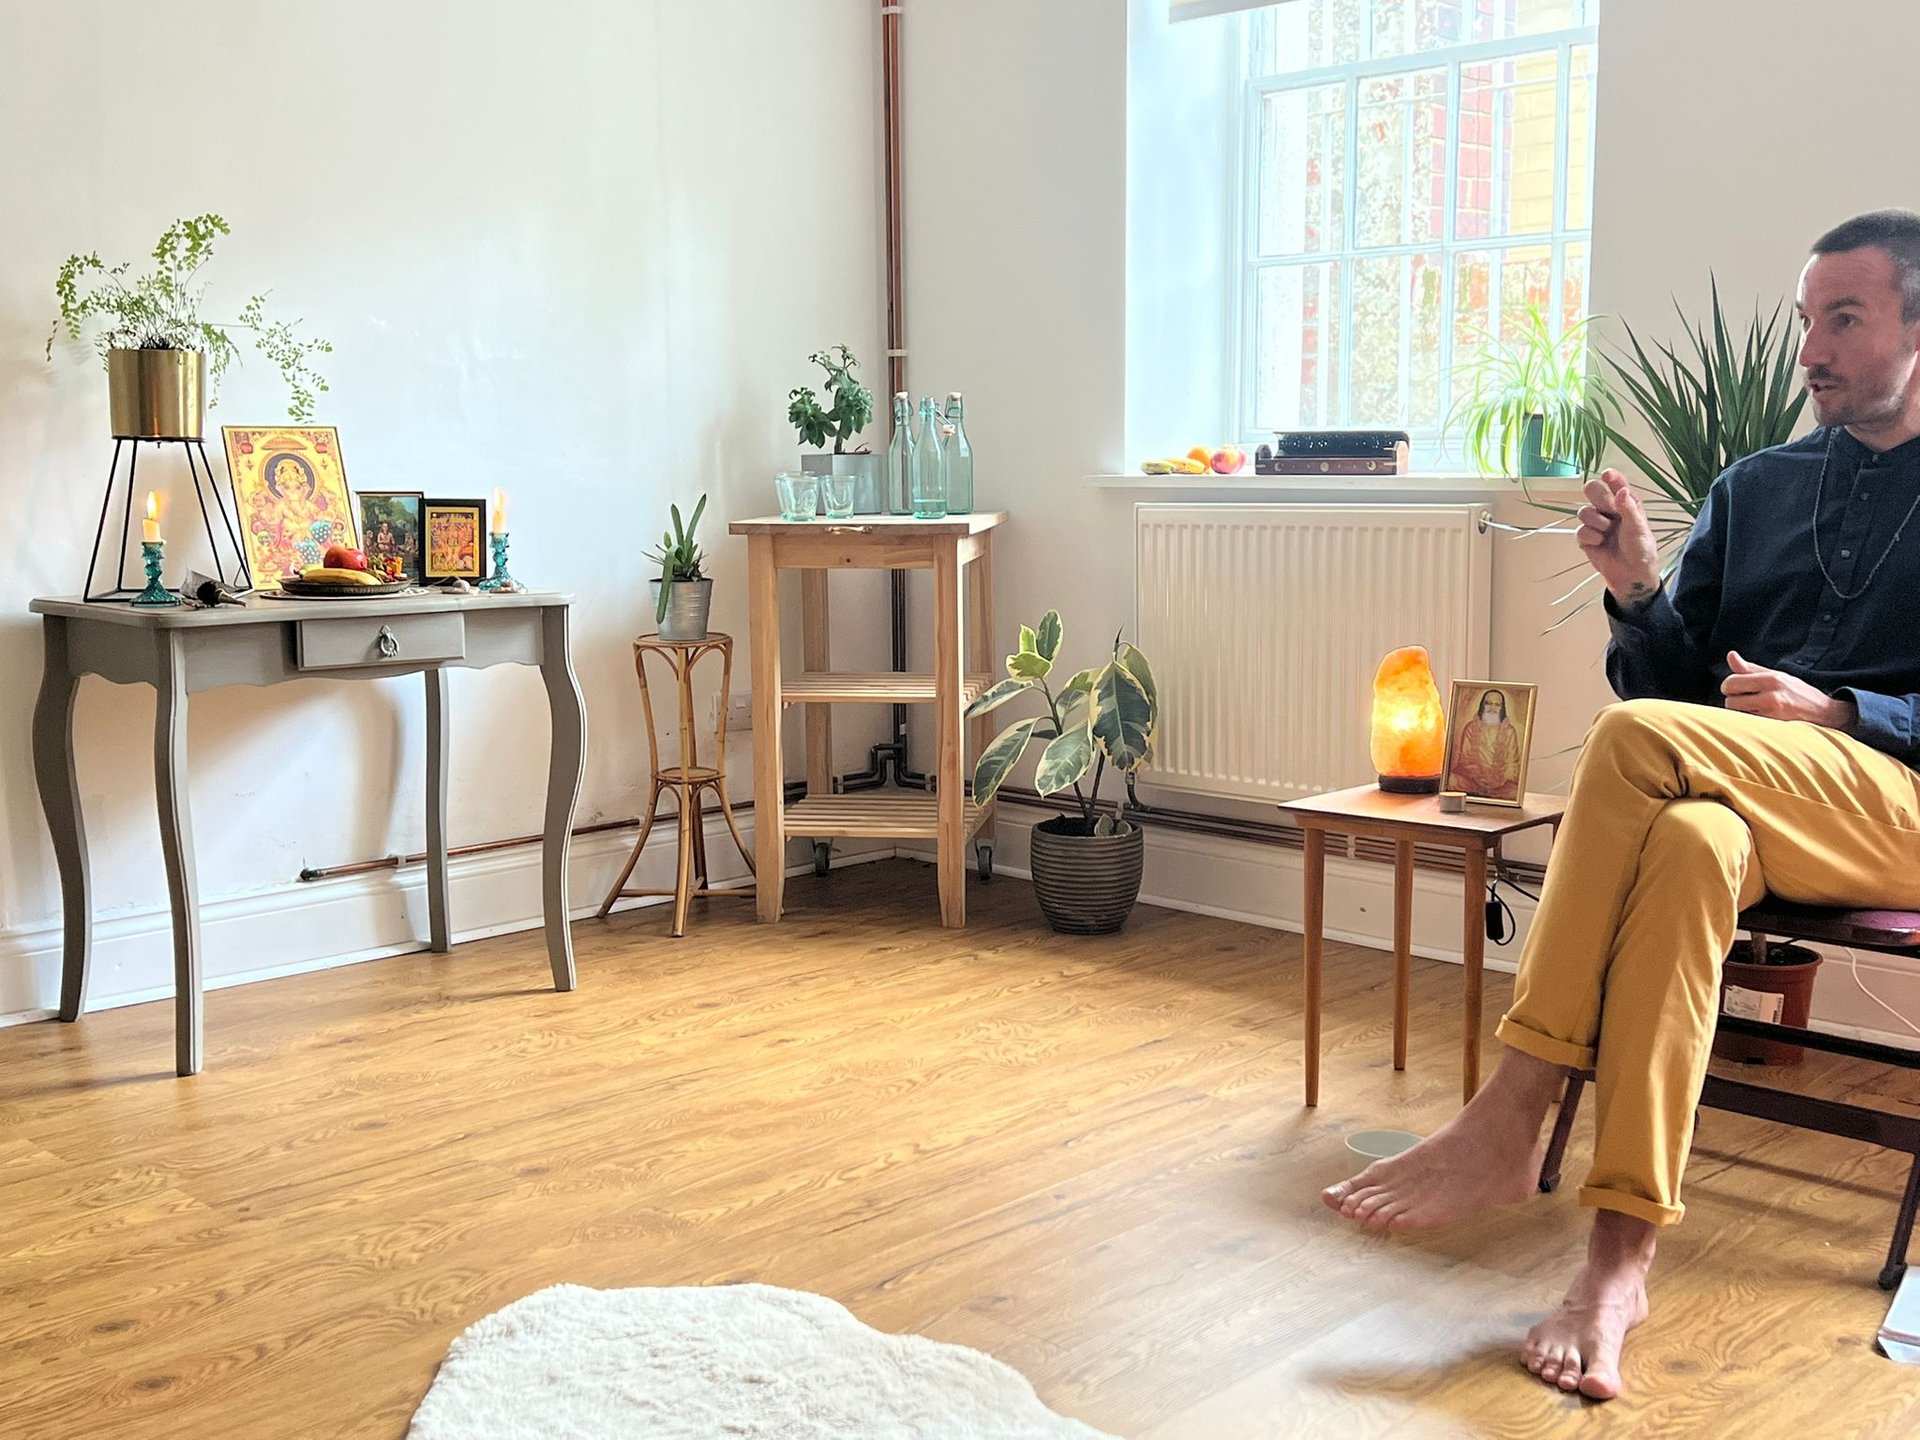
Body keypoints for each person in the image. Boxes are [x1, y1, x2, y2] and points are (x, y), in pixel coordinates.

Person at [1322, 209, 1920, 1400]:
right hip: (1744, 804)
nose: (1814, 348)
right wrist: (1639, 589)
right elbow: (1674, 696)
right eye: (1808, 320)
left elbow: (1654, 730)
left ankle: (1514, 1101)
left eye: (1844, 319)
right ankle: (1616, 1266)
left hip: (1900, 804)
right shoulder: (1757, 487)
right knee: (1691, 843)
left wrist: (1846, 711)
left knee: (1645, 747)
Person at [1446, 688, 1523, 800]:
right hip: (1472, 780)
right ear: (1482, 705)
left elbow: (1513, 764)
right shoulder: (1471, 728)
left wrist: (1498, 780)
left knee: (1514, 793)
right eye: (1488, 703)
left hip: (1501, 784)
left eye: (1497, 705)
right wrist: (1478, 778)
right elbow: (1465, 759)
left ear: (1502, 708)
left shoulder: (1509, 731)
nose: (1492, 708)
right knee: (1451, 780)